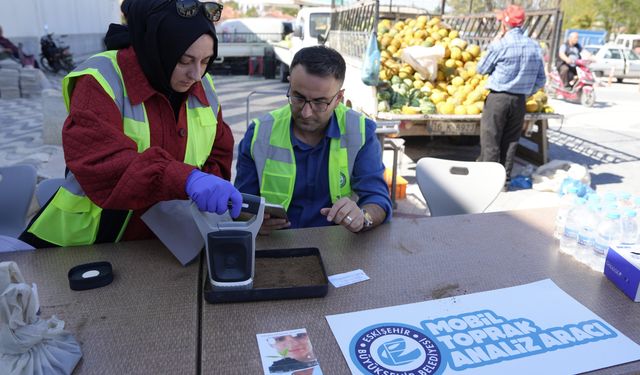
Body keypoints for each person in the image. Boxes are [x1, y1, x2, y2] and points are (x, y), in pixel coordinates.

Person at [19, 0, 241, 248]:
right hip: (85, 244)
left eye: (206, 61)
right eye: (184, 60)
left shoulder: (204, 85)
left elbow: (218, 152)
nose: (197, 74)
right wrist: (186, 180)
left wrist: (211, 197)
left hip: (164, 244)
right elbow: (102, 161)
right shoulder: (100, 80)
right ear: (157, 48)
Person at [235, 45, 392, 235]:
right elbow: (241, 203)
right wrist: (253, 221)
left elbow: (378, 199)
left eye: (319, 102)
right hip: (275, 243)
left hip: (339, 245)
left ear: (339, 99)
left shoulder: (359, 132)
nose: (306, 113)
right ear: (289, 85)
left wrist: (363, 217)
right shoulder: (260, 133)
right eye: (298, 97)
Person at [476, 5, 546, 187]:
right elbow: (541, 80)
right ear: (522, 24)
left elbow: (481, 69)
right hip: (519, 101)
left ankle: (488, 184)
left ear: (504, 25)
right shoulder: (534, 47)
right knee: (511, 142)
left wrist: (493, 43)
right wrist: (526, 90)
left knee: (491, 140)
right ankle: (503, 182)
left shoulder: (500, 45)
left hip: (498, 99)